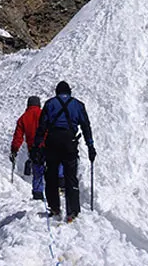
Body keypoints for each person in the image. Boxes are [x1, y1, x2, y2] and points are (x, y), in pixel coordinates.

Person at [32, 81, 96, 222]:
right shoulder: (78, 105)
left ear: (57, 92)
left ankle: (55, 208)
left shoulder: (50, 104)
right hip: (70, 143)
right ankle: (72, 210)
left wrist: (37, 147)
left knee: (51, 176)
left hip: (53, 142)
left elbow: (42, 127)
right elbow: (86, 126)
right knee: (70, 176)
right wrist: (90, 146)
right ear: (69, 91)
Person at [10, 96, 46, 199]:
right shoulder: (44, 114)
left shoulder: (23, 118)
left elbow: (18, 136)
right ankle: (55, 192)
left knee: (37, 171)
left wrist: (14, 150)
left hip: (34, 149)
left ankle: (38, 194)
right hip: (47, 147)